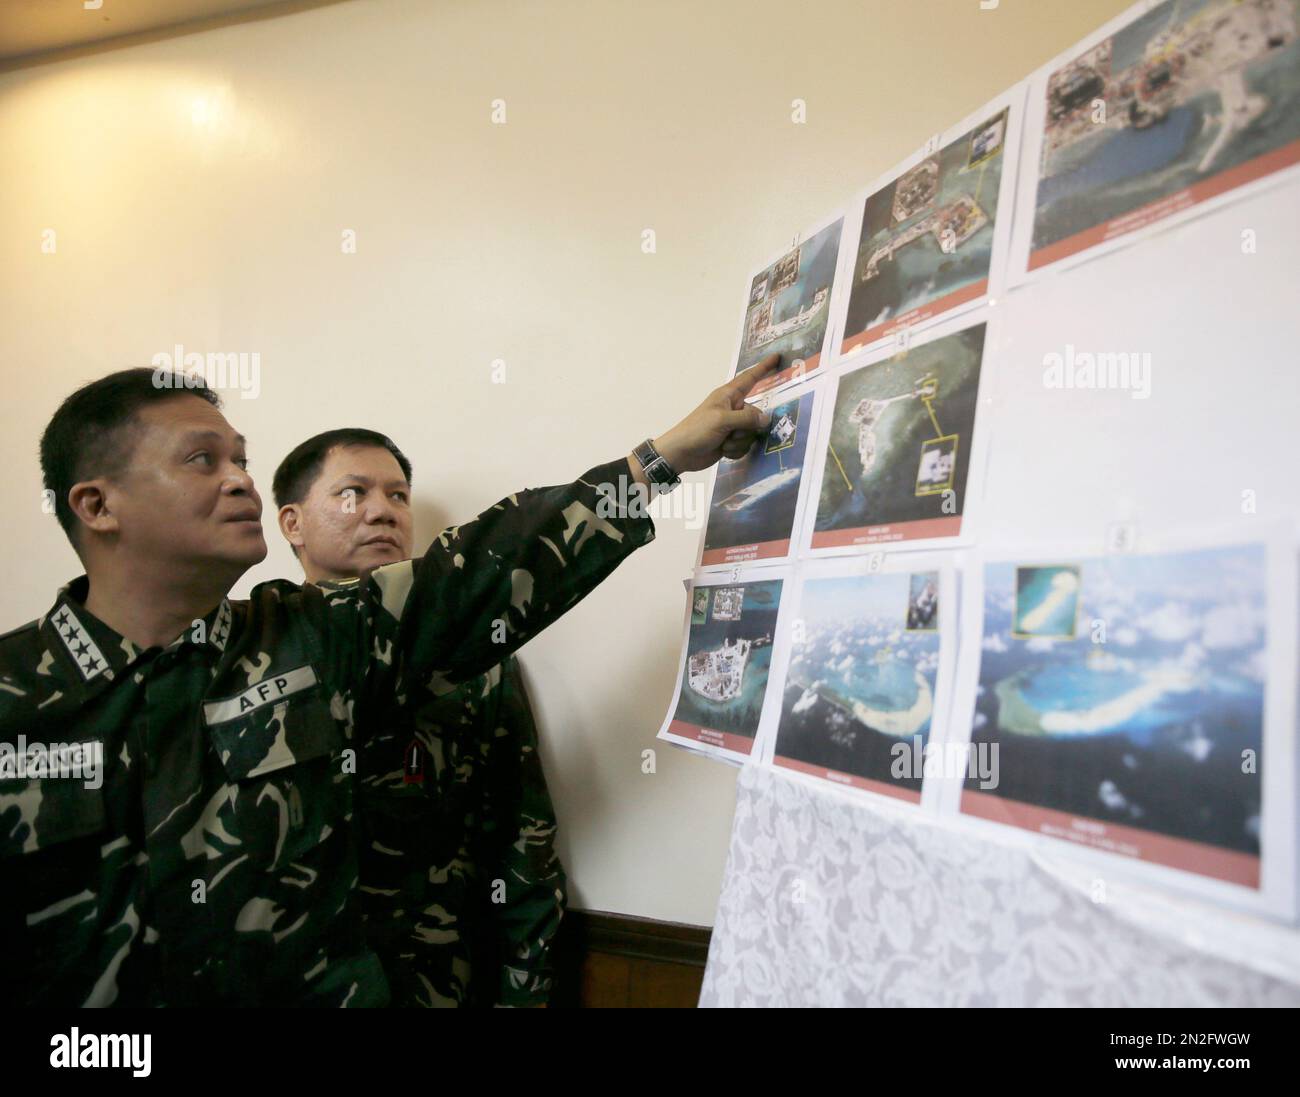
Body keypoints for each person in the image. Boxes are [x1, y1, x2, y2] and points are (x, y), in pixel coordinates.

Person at [0, 354, 778, 1005]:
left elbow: (486, 566)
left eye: (241, 457)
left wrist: (661, 459)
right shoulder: (15, 696)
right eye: (203, 459)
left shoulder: (313, 638)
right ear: (97, 505)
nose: (240, 480)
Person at [271, 428, 563, 1007]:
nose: (382, 511)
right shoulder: (249, 653)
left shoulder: (479, 666)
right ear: (293, 523)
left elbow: (523, 846)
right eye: (352, 493)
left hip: (429, 985)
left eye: (399, 496)